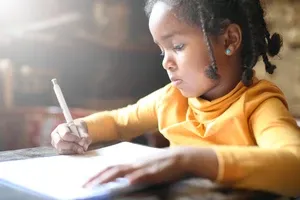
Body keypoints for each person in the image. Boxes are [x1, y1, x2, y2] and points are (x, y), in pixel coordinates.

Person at [51, 0, 300, 197]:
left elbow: (295, 166)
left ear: (229, 40)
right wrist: (79, 129)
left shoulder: (258, 104)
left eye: (177, 47)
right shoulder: (172, 99)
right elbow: (118, 122)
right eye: (162, 50)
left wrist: (189, 160)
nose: (166, 62)